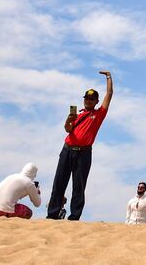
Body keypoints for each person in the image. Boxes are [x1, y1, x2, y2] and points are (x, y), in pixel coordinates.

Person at [47, 70, 114, 220]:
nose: (88, 101)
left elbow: (109, 95)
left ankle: (74, 216)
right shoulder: (78, 114)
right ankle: (52, 214)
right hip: (67, 150)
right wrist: (68, 120)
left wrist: (109, 77)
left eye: (92, 99)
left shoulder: (98, 114)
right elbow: (68, 130)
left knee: (79, 186)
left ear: (96, 101)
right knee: (59, 183)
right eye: (87, 98)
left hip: (83, 153)